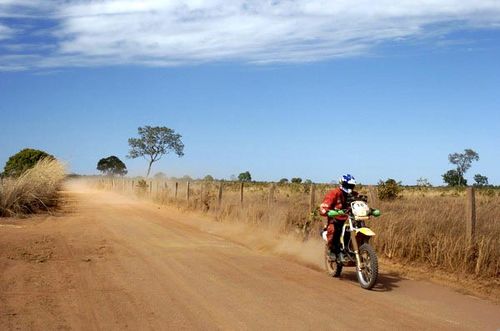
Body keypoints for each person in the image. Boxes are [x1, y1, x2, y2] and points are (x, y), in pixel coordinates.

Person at [320, 174, 358, 260]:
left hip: (350, 219)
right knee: (333, 230)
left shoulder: (354, 194)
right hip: (336, 220)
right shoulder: (334, 193)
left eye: (352, 185)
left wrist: (370, 210)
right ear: (342, 184)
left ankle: (356, 249)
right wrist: (327, 211)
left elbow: (361, 203)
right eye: (348, 185)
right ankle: (331, 251)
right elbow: (323, 206)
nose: (350, 187)